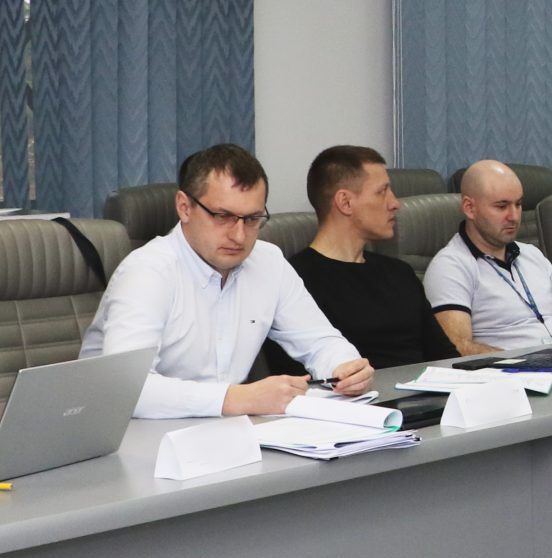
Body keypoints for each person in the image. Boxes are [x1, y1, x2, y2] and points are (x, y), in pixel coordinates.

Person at [81, 143, 371, 418]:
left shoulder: (267, 261)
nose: (239, 236)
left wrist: (345, 365)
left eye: (252, 219)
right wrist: (237, 398)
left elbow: (319, 340)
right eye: (223, 216)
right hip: (126, 438)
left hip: (223, 433)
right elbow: (129, 389)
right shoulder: (147, 272)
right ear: (184, 207)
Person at [275, 146, 456, 369]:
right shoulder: (294, 282)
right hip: (357, 400)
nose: (395, 203)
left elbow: (446, 358)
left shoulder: (400, 272)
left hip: (429, 399)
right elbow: (298, 379)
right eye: (382, 192)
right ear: (345, 202)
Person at [425, 160, 552, 354]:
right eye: (502, 206)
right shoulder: (451, 266)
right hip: (509, 374)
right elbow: (457, 348)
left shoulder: (532, 254)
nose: (514, 216)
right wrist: (520, 362)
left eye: (518, 204)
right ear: (469, 208)